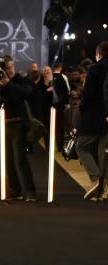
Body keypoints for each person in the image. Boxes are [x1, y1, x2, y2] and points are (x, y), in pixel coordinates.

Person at [0, 57, 36, 201]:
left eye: (11, 67)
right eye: (6, 68)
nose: (9, 70)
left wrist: (8, 83)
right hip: (2, 125)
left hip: (17, 124)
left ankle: (30, 191)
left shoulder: (20, 79)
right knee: (7, 160)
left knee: (20, 160)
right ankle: (15, 189)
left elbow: (26, 93)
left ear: (14, 66)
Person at [75, 41, 108, 200]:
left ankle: (95, 179)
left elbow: (88, 96)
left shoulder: (95, 69)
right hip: (106, 119)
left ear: (99, 54)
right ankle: (103, 190)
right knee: (103, 153)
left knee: (81, 146)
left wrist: (81, 109)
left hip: (94, 117)